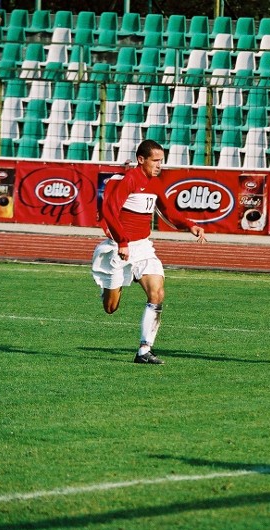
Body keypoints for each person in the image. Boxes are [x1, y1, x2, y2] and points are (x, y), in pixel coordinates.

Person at [90, 139, 207, 364]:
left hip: (143, 247)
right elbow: (109, 210)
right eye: (155, 160)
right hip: (119, 247)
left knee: (157, 293)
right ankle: (110, 289)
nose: (159, 165)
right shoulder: (129, 180)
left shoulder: (154, 182)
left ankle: (144, 350)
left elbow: (167, 210)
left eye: (161, 161)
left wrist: (188, 224)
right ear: (141, 159)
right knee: (111, 308)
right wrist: (122, 241)